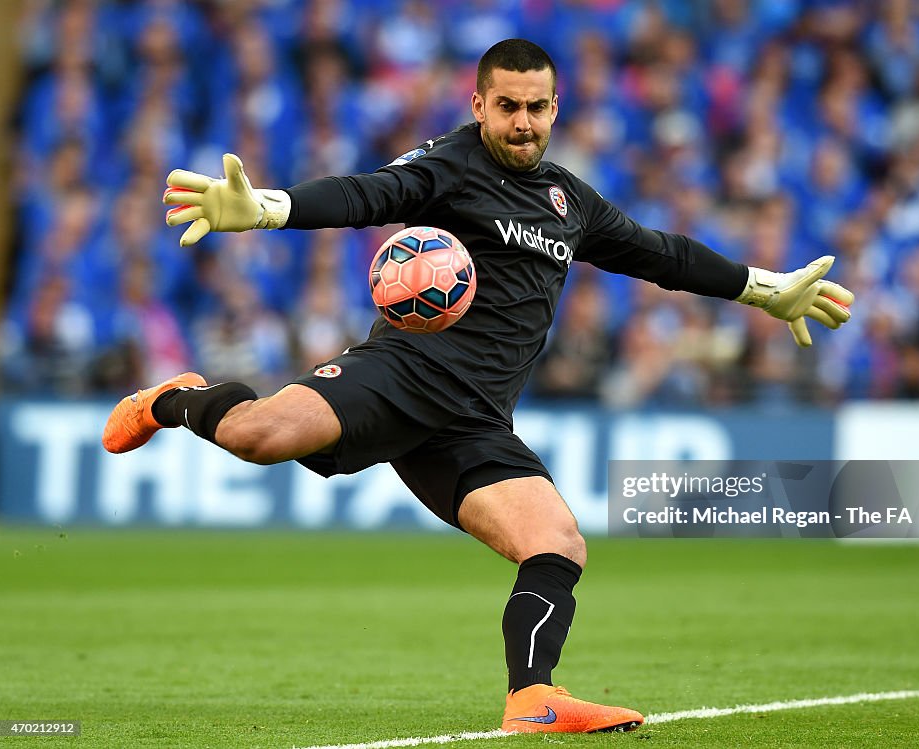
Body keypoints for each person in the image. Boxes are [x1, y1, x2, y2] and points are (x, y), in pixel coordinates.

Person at [103, 39, 854, 733]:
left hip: (474, 420)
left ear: (555, 109)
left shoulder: (571, 202)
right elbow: (367, 194)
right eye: (507, 107)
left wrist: (764, 288)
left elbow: (663, 254)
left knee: (557, 541)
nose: (522, 123)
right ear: (479, 106)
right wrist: (272, 208)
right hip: (399, 374)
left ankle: (532, 698)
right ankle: (173, 399)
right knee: (256, 435)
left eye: (536, 108)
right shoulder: (450, 167)